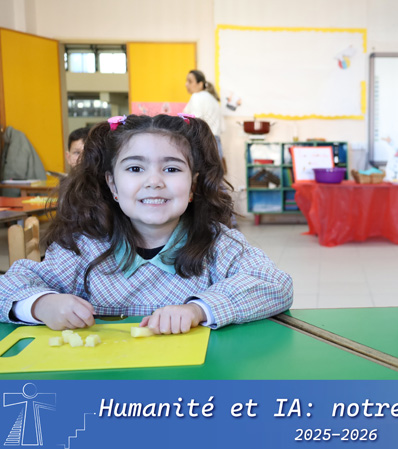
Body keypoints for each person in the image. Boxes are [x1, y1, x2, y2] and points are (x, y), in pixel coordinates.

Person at [0, 114, 293, 333]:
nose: (154, 181)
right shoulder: (85, 247)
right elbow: (9, 286)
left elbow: (275, 284)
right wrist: (41, 305)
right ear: (112, 184)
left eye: (171, 168)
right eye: (135, 168)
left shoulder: (217, 244)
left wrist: (198, 309)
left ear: (192, 185)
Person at [184, 70, 225, 167]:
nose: (186, 84)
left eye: (190, 81)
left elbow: (195, 121)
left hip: (202, 142)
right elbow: (223, 127)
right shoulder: (213, 99)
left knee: (201, 173)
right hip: (216, 142)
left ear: (200, 84)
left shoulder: (196, 96)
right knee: (215, 173)